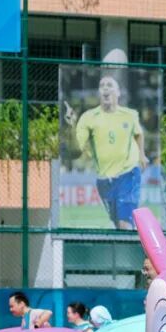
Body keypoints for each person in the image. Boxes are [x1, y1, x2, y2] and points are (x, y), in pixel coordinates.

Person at [68, 75, 147, 230]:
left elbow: (139, 134)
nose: (105, 88)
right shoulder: (88, 117)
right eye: (102, 85)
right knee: (118, 224)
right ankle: (128, 243)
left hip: (129, 173)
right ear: (99, 92)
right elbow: (76, 150)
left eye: (109, 85)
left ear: (118, 92)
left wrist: (142, 154)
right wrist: (71, 126)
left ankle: (131, 243)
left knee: (125, 223)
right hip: (104, 180)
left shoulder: (130, 115)